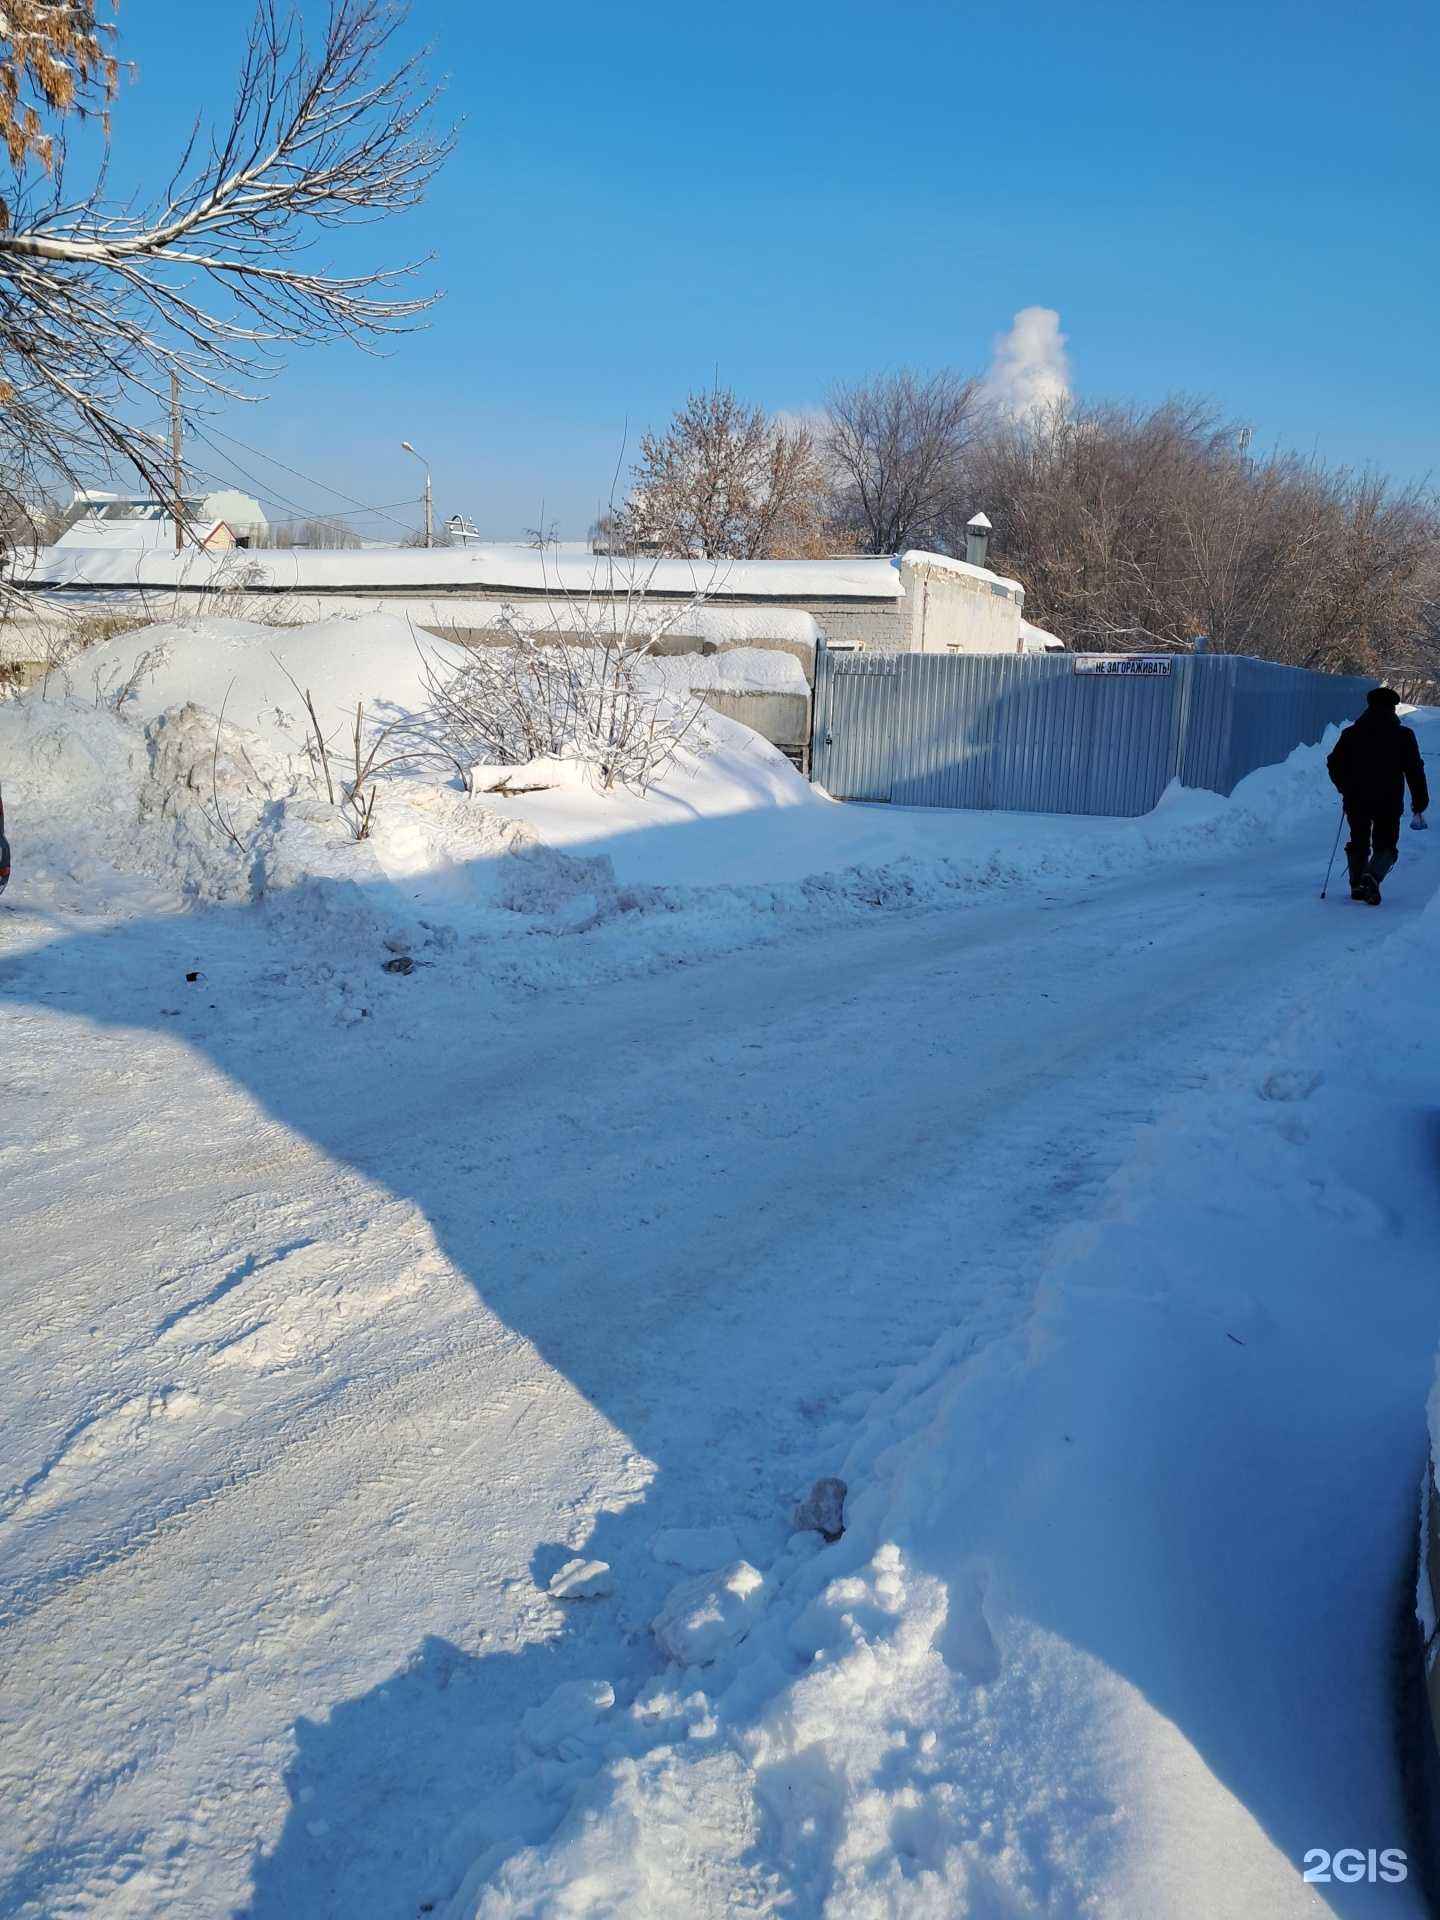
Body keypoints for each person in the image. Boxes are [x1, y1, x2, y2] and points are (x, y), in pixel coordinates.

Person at [1326, 686, 1429, 905]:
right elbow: (1414, 769)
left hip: (1357, 798)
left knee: (1359, 840)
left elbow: (1334, 762)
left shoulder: (1352, 734)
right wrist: (1419, 800)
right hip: (1389, 800)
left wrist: (1345, 786)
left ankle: (1356, 884)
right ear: (1392, 708)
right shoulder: (1403, 736)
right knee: (1386, 844)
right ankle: (1371, 877)